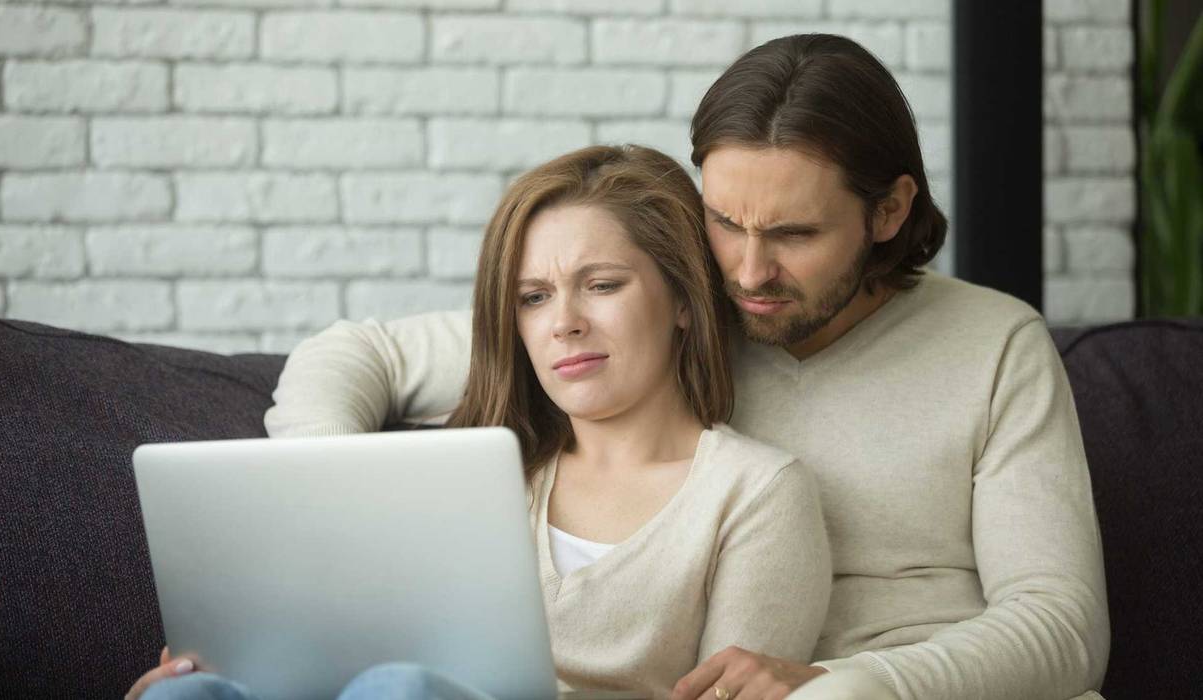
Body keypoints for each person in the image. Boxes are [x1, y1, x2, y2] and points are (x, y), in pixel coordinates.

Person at [261, 34, 1110, 700]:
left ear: (888, 210)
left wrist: (851, 686)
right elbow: (356, 353)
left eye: (793, 235)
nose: (746, 272)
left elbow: (1061, 624)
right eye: (724, 223)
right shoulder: (668, 306)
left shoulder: (994, 344)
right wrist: (331, 494)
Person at [127, 145, 832, 700]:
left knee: (398, 688)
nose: (564, 324)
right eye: (532, 297)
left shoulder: (756, 492)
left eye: (602, 285)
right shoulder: (480, 474)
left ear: (683, 299)